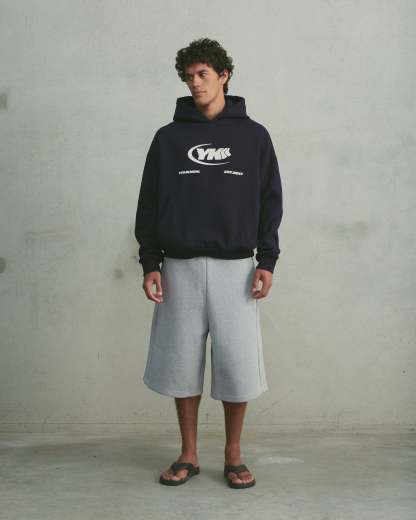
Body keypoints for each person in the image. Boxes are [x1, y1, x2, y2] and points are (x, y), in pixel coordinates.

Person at [134, 38, 283, 489]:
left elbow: (270, 201)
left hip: (236, 268)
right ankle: (188, 454)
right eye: (188, 77)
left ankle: (233, 455)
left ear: (224, 75)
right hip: (178, 267)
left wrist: (267, 259)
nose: (195, 83)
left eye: (203, 74)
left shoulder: (254, 137)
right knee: (181, 363)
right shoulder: (168, 138)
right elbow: (148, 203)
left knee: (237, 364)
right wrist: (150, 262)